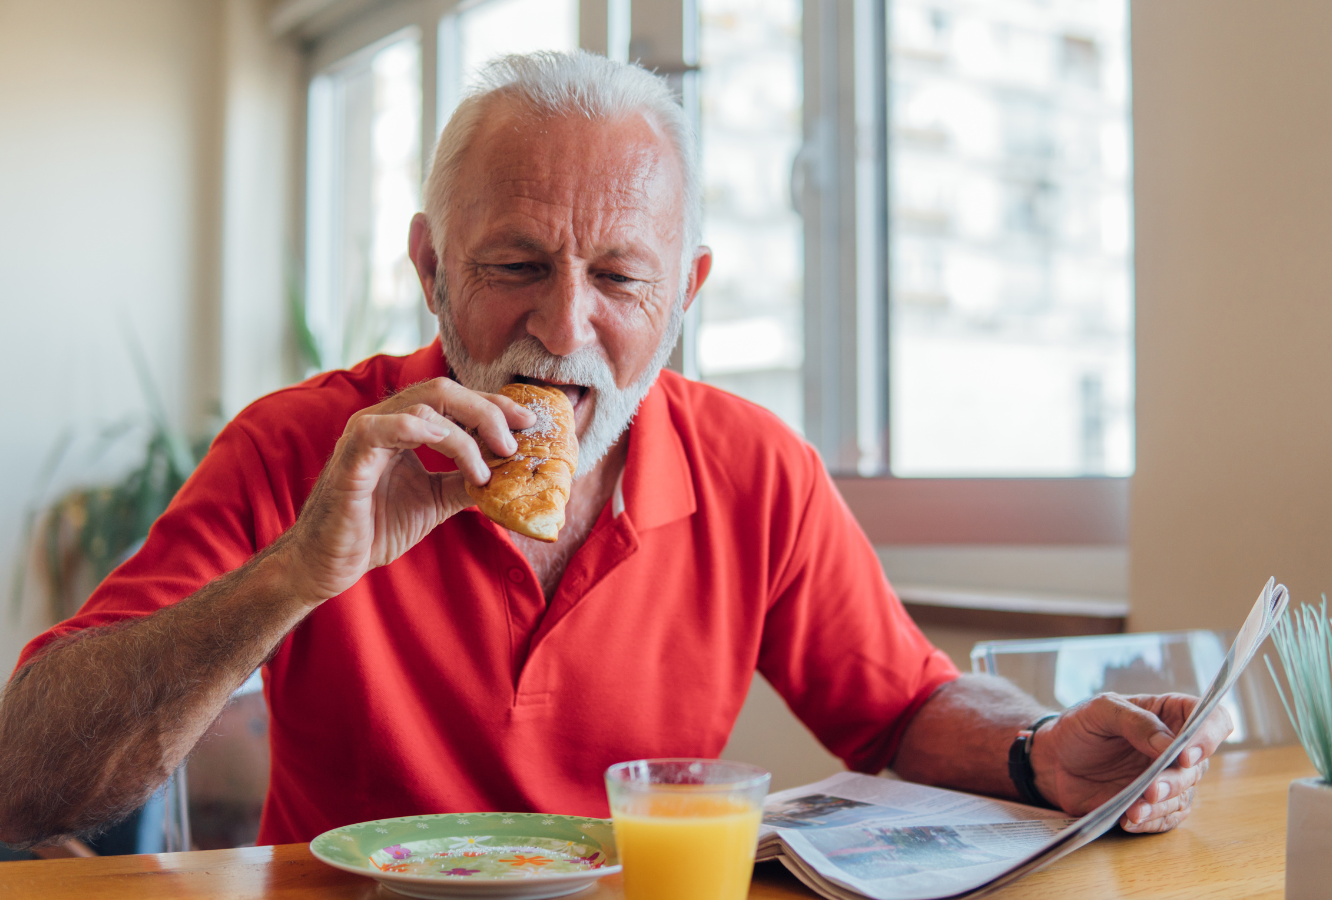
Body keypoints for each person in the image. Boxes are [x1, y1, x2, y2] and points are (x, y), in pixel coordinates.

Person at [0, 51, 1229, 850]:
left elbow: (904, 706)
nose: (562, 327)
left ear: (683, 293)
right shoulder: (302, 447)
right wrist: (291, 579)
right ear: (430, 270)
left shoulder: (754, 467)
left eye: (620, 278)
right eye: (514, 266)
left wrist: (1032, 750)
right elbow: (26, 784)